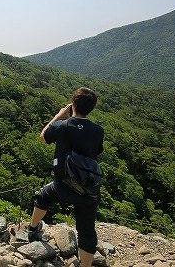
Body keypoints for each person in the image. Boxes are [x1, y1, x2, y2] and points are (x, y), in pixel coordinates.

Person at [27, 87, 104, 267]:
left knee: (43, 196)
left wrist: (60, 115)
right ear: (91, 108)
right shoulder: (98, 130)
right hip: (89, 188)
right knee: (87, 232)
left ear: (73, 104)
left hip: (63, 185)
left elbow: (43, 136)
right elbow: (96, 151)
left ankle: (32, 229)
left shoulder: (63, 126)